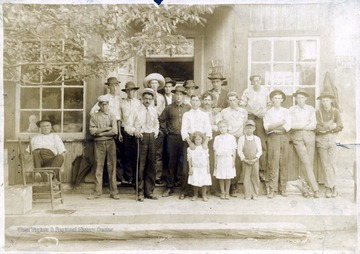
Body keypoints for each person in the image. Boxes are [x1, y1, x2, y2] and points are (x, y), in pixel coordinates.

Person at [159, 86, 191, 197]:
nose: (178, 96)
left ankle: (183, 190)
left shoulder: (188, 108)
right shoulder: (169, 108)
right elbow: (161, 119)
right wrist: (166, 131)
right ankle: (169, 187)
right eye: (177, 94)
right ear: (174, 95)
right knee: (171, 163)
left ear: (184, 96)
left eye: (181, 94)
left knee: (184, 164)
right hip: (172, 138)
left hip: (185, 139)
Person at [90, 77, 124, 182]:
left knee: (116, 155)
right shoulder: (104, 98)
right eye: (112, 85)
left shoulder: (119, 98)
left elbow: (119, 117)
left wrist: (119, 132)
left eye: (116, 85)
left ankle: (117, 178)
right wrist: (102, 125)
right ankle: (105, 179)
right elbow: (92, 112)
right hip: (104, 129)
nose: (114, 88)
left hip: (115, 127)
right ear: (108, 87)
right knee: (102, 158)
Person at [240, 75, 271, 185]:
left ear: (260, 81)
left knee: (261, 143)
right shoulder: (247, 91)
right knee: (249, 141)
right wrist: (252, 111)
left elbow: (269, 104)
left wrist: (263, 112)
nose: (256, 82)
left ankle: (262, 170)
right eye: (254, 81)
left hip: (261, 118)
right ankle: (248, 168)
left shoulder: (265, 91)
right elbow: (242, 105)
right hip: (251, 117)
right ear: (252, 82)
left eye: (258, 80)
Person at [180, 95, 212, 200]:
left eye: (196, 101)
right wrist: (190, 142)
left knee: (203, 168)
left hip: (202, 142)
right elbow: (183, 130)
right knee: (187, 168)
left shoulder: (204, 115)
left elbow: (208, 129)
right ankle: (185, 191)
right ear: (190, 102)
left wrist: (205, 142)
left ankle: (203, 193)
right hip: (190, 141)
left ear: (200, 102)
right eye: (193, 101)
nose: (194, 103)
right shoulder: (186, 114)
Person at [88, 95, 120, 200]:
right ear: (99, 105)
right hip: (98, 144)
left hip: (111, 143)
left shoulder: (112, 116)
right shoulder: (94, 116)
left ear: (108, 105)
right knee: (99, 167)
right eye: (102, 104)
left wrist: (99, 132)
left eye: (106, 104)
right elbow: (92, 131)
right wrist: (106, 129)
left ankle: (114, 192)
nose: (104, 106)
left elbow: (115, 131)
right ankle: (97, 192)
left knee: (112, 167)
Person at [217, 91, 248, 197]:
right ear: (227, 101)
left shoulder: (243, 112)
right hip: (228, 139)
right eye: (230, 100)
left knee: (237, 164)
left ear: (238, 100)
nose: (232, 102)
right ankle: (224, 190)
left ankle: (233, 188)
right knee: (225, 162)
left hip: (239, 138)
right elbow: (220, 125)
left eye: (234, 100)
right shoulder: (224, 112)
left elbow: (245, 126)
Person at [289, 89, 319, 198]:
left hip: (310, 136)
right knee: (305, 161)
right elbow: (292, 125)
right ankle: (314, 188)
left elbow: (314, 125)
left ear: (305, 98)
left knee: (308, 162)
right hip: (297, 137)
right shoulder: (292, 109)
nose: (300, 100)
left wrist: (302, 125)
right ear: (295, 99)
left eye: (302, 97)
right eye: (298, 98)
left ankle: (306, 189)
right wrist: (305, 123)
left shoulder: (311, 109)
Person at [131, 88, 160, 202]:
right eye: (146, 99)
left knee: (151, 165)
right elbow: (128, 125)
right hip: (141, 137)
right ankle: (140, 192)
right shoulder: (136, 110)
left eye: (150, 99)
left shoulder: (153, 110)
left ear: (152, 99)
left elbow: (157, 124)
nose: (147, 101)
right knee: (140, 165)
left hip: (151, 137)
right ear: (142, 99)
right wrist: (135, 131)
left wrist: (156, 132)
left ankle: (149, 192)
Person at [263, 89, 291, 199]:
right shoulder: (268, 112)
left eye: (279, 98)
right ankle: (272, 189)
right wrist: (280, 123)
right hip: (273, 137)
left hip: (284, 137)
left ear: (282, 100)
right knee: (273, 163)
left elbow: (287, 127)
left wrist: (274, 126)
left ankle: (283, 188)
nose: (277, 100)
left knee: (283, 162)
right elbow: (267, 128)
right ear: (272, 100)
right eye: (275, 98)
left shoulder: (286, 111)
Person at [315, 91, 343, 198]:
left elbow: (340, 126)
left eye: (327, 100)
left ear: (331, 101)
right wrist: (329, 127)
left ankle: (333, 186)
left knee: (332, 164)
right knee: (325, 165)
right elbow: (317, 128)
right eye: (323, 101)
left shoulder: (335, 112)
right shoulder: (318, 113)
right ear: (321, 102)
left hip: (332, 140)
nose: (325, 103)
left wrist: (330, 128)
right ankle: (328, 187)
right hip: (321, 141)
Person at [143, 73, 166, 185]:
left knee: (158, 153)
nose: (154, 85)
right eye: (152, 83)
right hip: (147, 127)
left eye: (156, 83)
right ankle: (146, 176)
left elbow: (163, 112)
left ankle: (157, 176)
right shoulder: (145, 98)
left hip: (158, 126)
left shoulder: (161, 98)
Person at [30, 116, 66, 181]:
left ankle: (50, 175)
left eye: (47, 126)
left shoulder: (55, 137)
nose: (46, 128)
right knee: (35, 152)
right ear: (40, 127)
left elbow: (62, 152)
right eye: (43, 126)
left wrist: (61, 165)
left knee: (60, 157)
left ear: (51, 127)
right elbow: (28, 152)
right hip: (38, 160)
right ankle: (38, 173)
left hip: (50, 160)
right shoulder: (35, 138)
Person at [120, 81, 141, 184]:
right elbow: (119, 118)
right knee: (126, 154)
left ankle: (135, 177)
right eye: (128, 91)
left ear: (135, 91)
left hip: (136, 130)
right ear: (126, 92)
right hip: (125, 130)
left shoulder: (138, 103)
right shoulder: (122, 103)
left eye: (132, 90)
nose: (131, 92)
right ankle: (128, 177)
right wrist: (120, 132)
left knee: (136, 154)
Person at [200, 92, 221, 196]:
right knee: (202, 163)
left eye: (209, 100)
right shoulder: (199, 112)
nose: (207, 102)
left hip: (212, 140)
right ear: (202, 101)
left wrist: (211, 127)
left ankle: (214, 188)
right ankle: (202, 188)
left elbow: (218, 127)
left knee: (212, 163)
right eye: (205, 100)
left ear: (212, 101)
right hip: (201, 140)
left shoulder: (215, 113)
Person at [238, 120, 262, 200]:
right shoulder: (242, 138)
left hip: (255, 161)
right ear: (244, 129)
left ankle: (255, 194)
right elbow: (239, 151)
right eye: (247, 128)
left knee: (255, 176)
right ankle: (247, 194)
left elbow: (260, 151)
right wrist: (244, 159)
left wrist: (255, 158)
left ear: (254, 129)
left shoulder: (257, 139)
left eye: (251, 128)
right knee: (246, 177)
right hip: (246, 161)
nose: (249, 130)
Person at [213, 121, 237, 200]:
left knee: (228, 176)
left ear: (227, 127)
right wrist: (215, 161)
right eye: (220, 127)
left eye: (224, 127)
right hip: (220, 159)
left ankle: (227, 192)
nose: (222, 129)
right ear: (219, 129)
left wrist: (233, 161)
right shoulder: (217, 138)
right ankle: (222, 192)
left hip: (228, 158)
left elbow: (234, 150)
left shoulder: (231, 137)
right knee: (221, 176)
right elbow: (215, 151)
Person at [187, 131, 212, 202]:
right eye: (196, 139)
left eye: (199, 139)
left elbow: (207, 158)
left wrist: (208, 168)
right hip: (195, 168)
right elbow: (189, 159)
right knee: (195, 181)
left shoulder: (204, 148)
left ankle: (204, 195)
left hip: (203, 168)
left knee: (204, 182)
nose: (198, 141)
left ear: (202, 140)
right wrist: (190, 168)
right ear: (193, 140)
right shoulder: (191, 149)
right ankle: (195, 195)